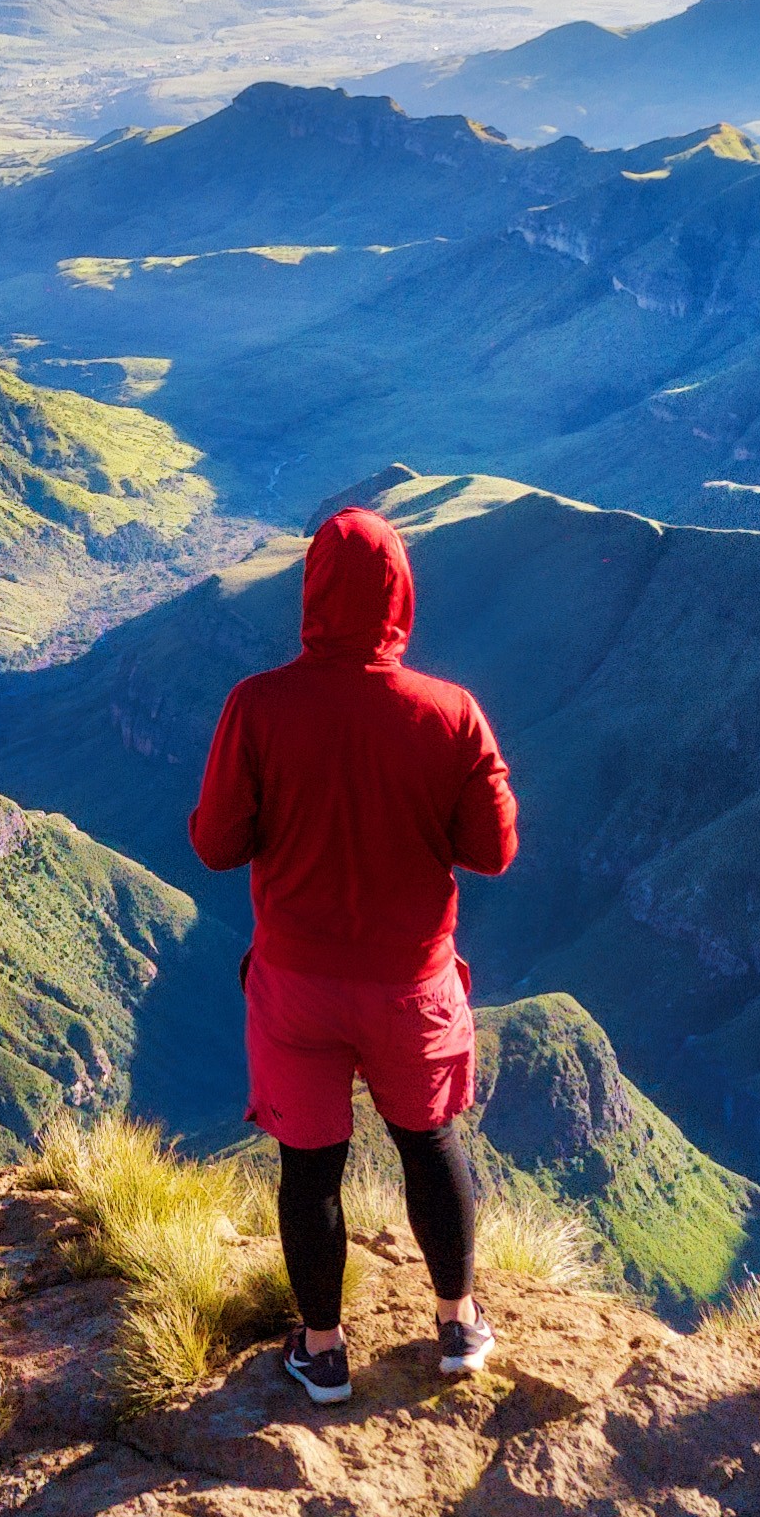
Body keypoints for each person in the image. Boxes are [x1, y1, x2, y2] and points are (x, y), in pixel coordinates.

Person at [188, 503, 517, 1405]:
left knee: (309, 1168)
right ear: (400, 595)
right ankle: (455, 1324)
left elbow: (217, 846)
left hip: (295, 983)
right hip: (411, 984)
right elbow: (492, 851)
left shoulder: (257, 706)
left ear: (312, 595)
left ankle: (323, 1351)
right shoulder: (449, 715)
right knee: (429, 1142)